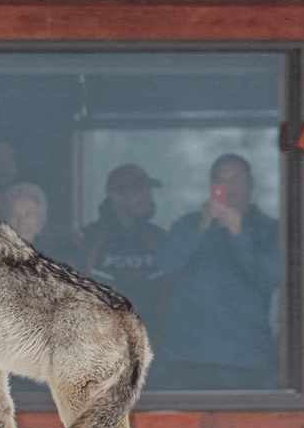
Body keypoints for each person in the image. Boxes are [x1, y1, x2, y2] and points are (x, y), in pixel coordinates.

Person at [156, 154, 280, 390]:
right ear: (212, 186)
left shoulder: (268, 229)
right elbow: (165, 263)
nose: (227, 186)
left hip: (244, 357)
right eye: (219, 179)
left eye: (235, 179)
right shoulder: (189, 223)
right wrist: (200, 227)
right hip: (185, 356)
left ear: (250, 184)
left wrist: (239, 234)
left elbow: (271, 278)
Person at [75, 164, 167, 336]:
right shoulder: (88, 238)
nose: (148, 196)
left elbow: (169, 292)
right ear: (114, 196)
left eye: (149, 189)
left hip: (152, 344)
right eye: (138, 190)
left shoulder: (159, 237)